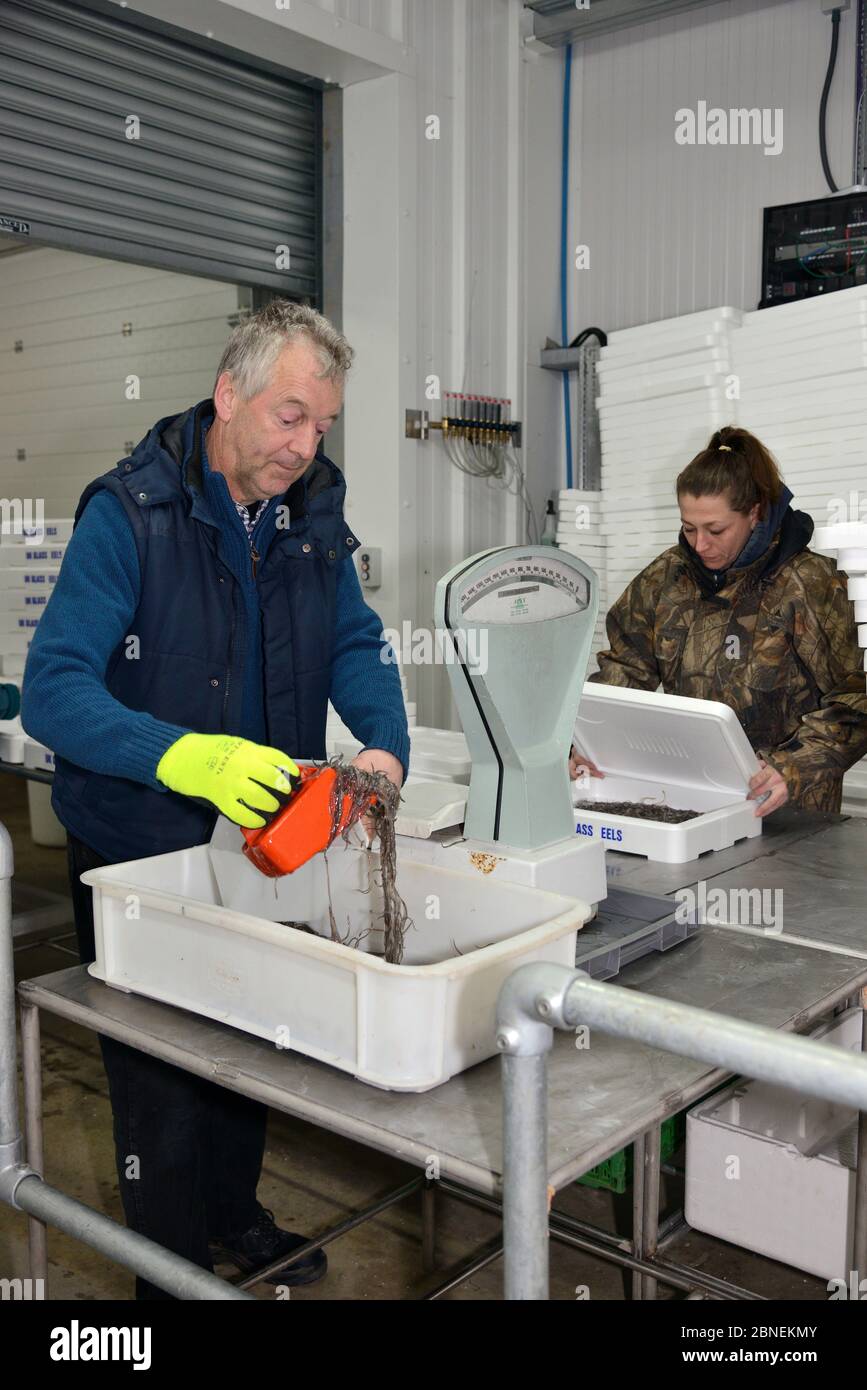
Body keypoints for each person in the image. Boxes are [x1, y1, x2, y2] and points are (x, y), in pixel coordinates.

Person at [21, 301, 409, 1298]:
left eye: (322, 424)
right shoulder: (132, 512)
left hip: (263, 843)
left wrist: (379, 744)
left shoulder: (313, 518)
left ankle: (235, 1216)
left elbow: (355, 645)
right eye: (289, 417)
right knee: (158, 1083)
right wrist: (180, 755)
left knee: (251, 1041)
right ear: (228, 393)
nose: (305, 444)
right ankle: (170, 1270)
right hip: (142, 852)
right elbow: (56, 691)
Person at [570, 426, 867, 815]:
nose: (700, 545)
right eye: (689, 528)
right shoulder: (667, 577)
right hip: (690, 800)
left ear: (755, 513)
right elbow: (625, 671)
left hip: (788, 813)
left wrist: (792, 768)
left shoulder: (810, 585)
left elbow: (857, 696)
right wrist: (586, 747)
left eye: (716, 530)